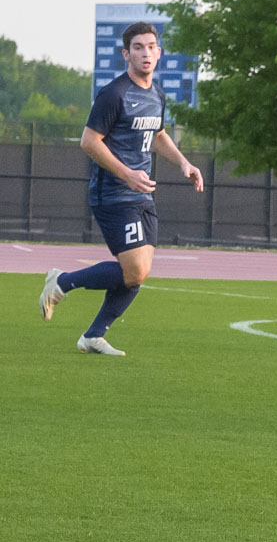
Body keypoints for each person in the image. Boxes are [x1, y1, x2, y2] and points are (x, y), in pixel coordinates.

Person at [38, 22, 204, 354]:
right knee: (136, 270)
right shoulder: (114, 93)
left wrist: (183, 163)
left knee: (136, 275)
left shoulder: (156, 94)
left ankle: (93, 335)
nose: (146, 52)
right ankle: (62, 282)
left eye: (151, 46)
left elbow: (157, 135)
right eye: (138, 47)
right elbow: (89, 141)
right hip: (113, 194)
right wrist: (127, 174)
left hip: (142, 194)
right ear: (126, 54)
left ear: (159, 52)